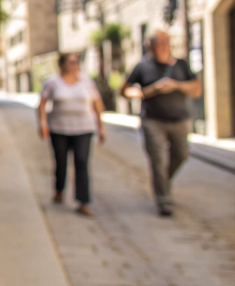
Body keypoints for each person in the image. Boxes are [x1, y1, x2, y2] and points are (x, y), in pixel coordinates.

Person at [121, 30, 202, 216]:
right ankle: (164, 200)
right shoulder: (142, 66)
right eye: (159, 43)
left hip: (180, 120)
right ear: (150, 45)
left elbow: (197, 89)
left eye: (166, 42)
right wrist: (149, 91)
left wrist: (177, 85)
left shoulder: (181, 65)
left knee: (181, 155)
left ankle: (163, 182)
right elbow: (126, 91)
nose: (163, 46)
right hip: (153, 121)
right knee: (158, 160)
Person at [39, 53, 106, 217]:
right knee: (61, 162)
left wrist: (101, 127)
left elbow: (97, 103)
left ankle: (82, 201)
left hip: (84, 128)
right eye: (72, 61)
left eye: (77, 61)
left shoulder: (86, 81)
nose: (75, 64)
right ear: (62, 64)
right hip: (59, 128)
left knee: (82, 162)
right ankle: (59, 190)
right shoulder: (52, 82)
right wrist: (43, 123)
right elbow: (42, 103)